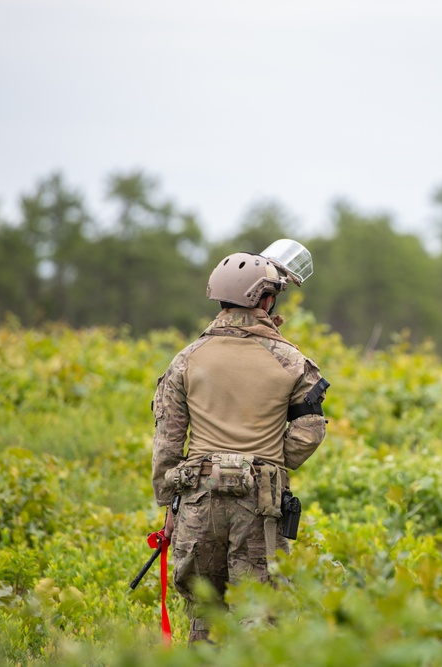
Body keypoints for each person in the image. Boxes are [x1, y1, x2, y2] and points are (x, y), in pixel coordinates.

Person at [150, 239, 329, 645]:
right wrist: (267, 465)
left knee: (205, 610)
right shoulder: (291, 361)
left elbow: (167, 443)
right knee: (259, 612)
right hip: (260, 503)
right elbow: (310, 430)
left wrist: (169, 506)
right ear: (265, 299)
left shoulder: (186, 358)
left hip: (196, 500)